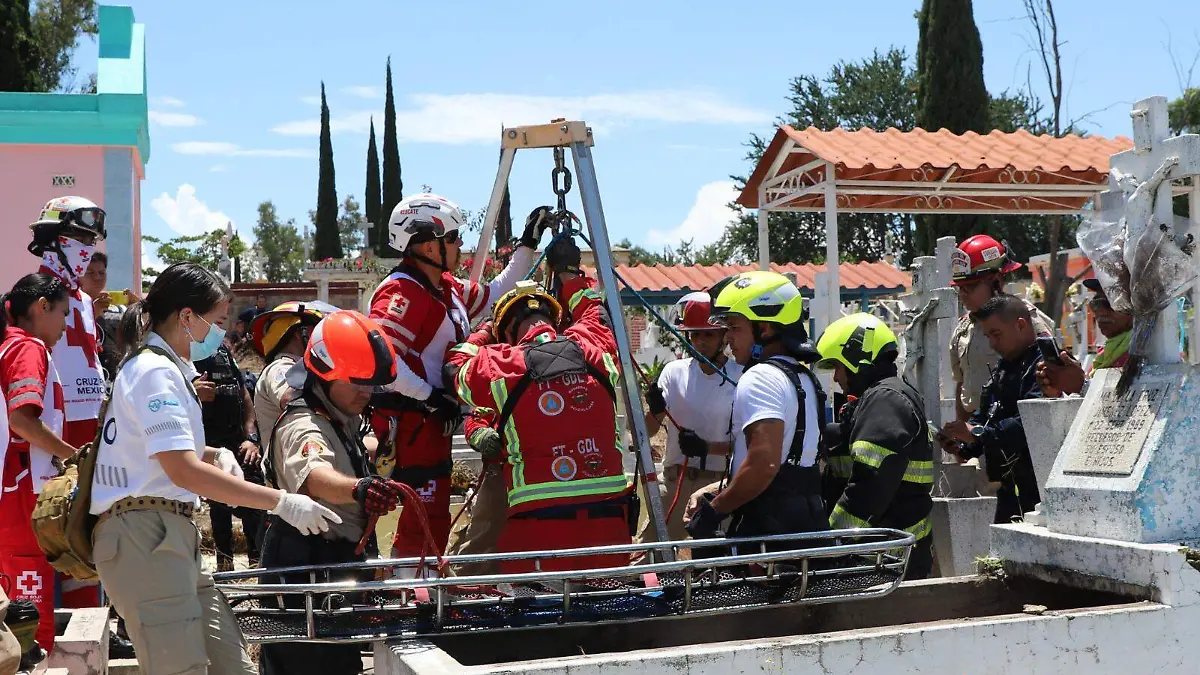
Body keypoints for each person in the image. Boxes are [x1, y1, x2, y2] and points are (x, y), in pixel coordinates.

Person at [90, 262, 340, 675]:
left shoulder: (164, 369)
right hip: (143, 535)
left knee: (233, 663)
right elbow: (182, 471)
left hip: (167, 534)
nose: (221, 334)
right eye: (218, 321)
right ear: (186, 316)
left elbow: (164, 453)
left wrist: (213, 455)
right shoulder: (154, 372)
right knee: (182, 668)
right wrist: (282, 502)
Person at [367, 194, 545, 559]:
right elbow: (382, 362)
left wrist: (528, 244)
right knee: (422, 516)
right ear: (428, 244)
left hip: (433, 419)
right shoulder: (401, 292)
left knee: (433, 517)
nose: (460, 244)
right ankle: (413, 595)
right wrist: (429, 397)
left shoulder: (444, 286)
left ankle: (425, 588)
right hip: (413, 421)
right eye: (453, 238)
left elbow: (497, 291)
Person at [446, 238, 632, 573]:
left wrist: (487, 330)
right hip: (610, 531)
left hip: (536, 534)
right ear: (553, 317)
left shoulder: (499, 365)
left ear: (507, 331)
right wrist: (568, 272)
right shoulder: (594, 344)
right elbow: (595, 310)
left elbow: (454, 368)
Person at [259, 310, 406, 675]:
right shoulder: (303, 422)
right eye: (356, 382)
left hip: (330, 573)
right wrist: (359, 489)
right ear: (323, 374)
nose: (365, 391)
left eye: (369, 383)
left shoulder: (341, 418)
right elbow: (314, 476)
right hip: (304, 576)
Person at [683, 271, 827, 545]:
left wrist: (714, 511)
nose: (727, 340)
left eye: (735, 328)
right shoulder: (803, 376)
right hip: (807, 522)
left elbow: (764, 464)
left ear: (765, 329)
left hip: (768, 530)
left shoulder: (761, 376)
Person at [815, 313, 935, 579]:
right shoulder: (884, 397)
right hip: (888, 555)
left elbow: (870, 484)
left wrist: (831, 544)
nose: (836, 377)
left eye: (838, 366)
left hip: (884, 560)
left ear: (857, 358)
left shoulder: (884, 400)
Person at [0, 274, 74, 656]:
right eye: (62, 313)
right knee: (28, 608)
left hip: (15, 488)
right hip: (20, 492)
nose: (65, 325)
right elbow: (22, 420)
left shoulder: (12, 345)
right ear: (42, 307)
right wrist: (70, 454)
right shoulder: (28, 347)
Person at [638, 292, 740, 543]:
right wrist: (656, 410)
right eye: (695, 334)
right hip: (674, 484)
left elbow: (751, 444)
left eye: (708, 334)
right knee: (645, 560)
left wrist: (708, 448)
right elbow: (645, 431)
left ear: (724, 336)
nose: (701, 341)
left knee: (717, 565)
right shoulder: (674, 373)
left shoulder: (742, 376)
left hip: (719, 488)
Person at [942, 295, 1046, 524]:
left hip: (1038, 488)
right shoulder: (1005, 367)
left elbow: (1029, 423)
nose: (992, 344)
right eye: (988, 336)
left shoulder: (1045, 366)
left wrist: (978, 433)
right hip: (1008, 486)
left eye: (996, 334)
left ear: (1020, 325)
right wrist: (963, 445)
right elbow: (988, 414)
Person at [948, 235, 1054, 423]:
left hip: (1015, 429)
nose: (963, 294)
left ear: (996, 281)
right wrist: (962, 439)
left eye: (970, 286)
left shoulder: (1026, 320)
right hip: (978, 432)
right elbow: (962, 386)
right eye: (959, 288)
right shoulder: (963, 328)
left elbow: (1050, 380)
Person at [194, 339, 264, 572]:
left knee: (255, 505)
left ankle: (258, 567)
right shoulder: (183, 354)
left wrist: (251, 438)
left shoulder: (221, 349)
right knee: (219, 507)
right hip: (208, 448)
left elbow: (245, 396)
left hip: (239, 443)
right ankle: (225, 567)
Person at [249, 301, 338, 449]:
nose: (320, 337)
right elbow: (289, 397)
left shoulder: (301, 369)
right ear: (299, 333)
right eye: (315, 330)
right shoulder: (279, 368)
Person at [1037, 278, 1133, 396]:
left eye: (1111, 302)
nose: (1101, 312)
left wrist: (1082, 385)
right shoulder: (1105, 354)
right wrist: (1057, 393)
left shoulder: (1141, 351)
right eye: (1095, 303)